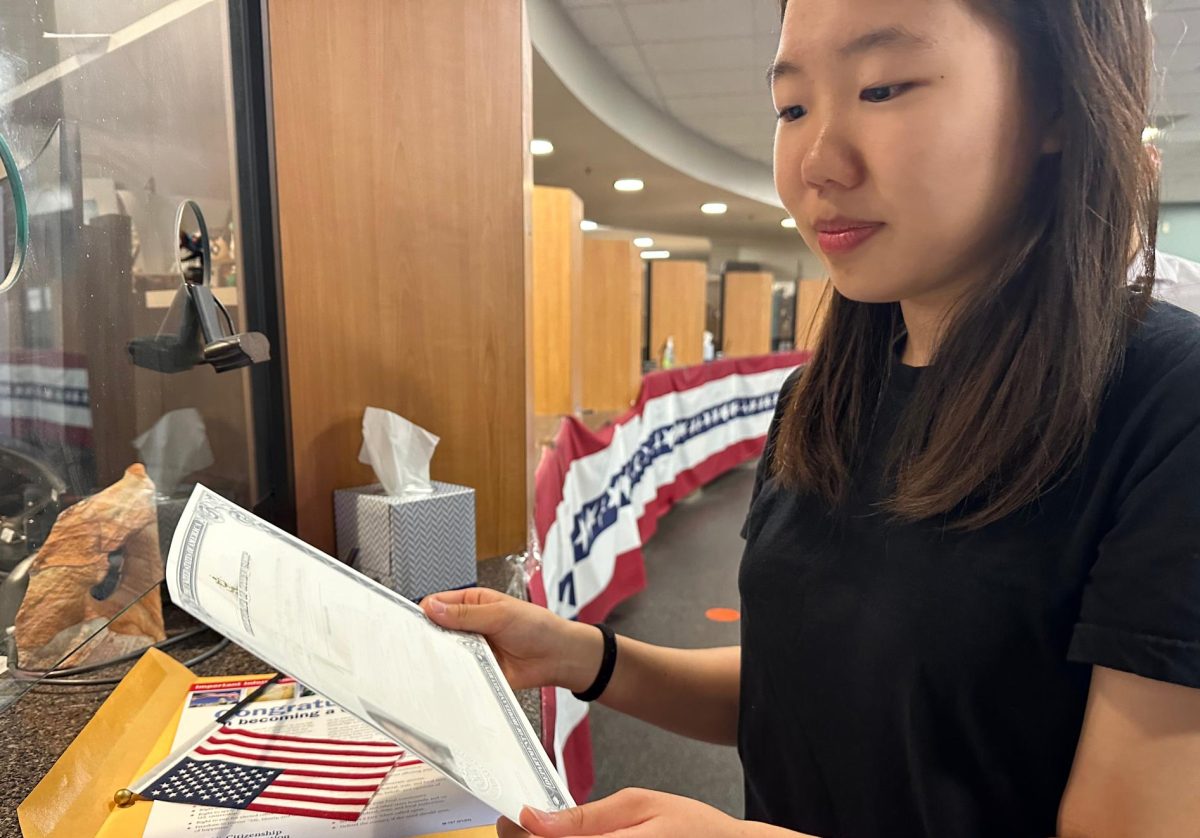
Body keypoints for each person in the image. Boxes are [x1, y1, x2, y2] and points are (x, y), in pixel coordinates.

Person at [423, 0, 1200, 835]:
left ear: (1057, 102)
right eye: (792, 108)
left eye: (884, 87)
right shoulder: (820, 400)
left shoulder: (1166, 405)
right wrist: (584, 657)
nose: (816, 163)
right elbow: (805, 690)